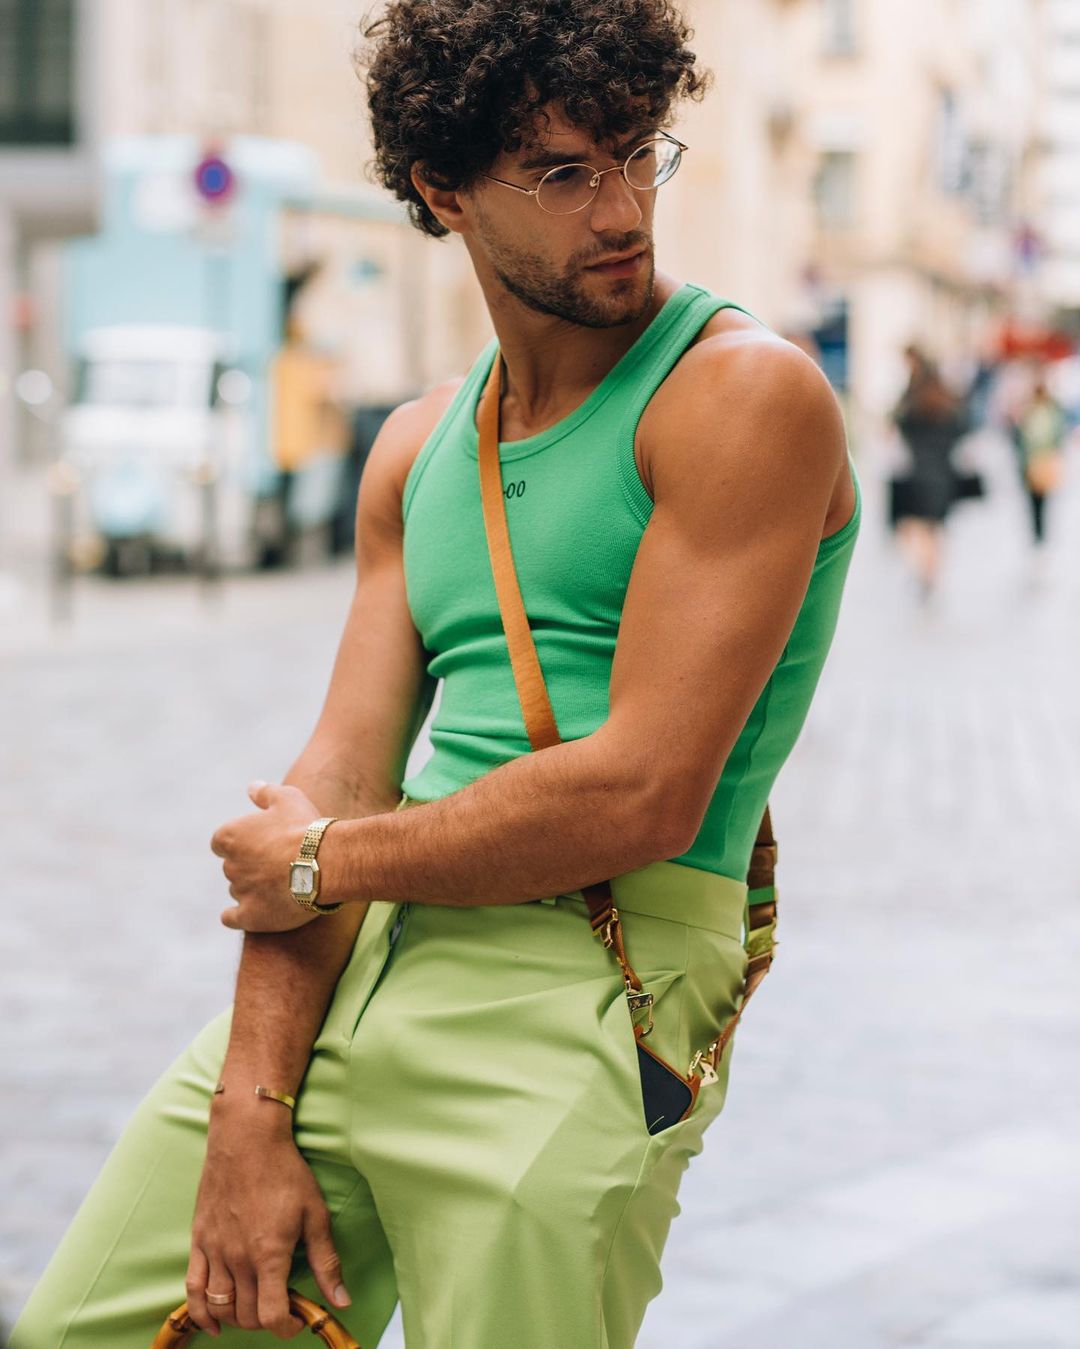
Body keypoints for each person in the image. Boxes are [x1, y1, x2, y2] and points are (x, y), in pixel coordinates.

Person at [12, 2, 860, 1345]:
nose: (622, 209)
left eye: (638, 153)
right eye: (563, 173)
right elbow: (337, 774)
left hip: (587, 983)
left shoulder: (740, 395)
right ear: (445, 191)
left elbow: (640, 791)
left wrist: (323, 860)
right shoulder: (415, 447)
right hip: (366, 954)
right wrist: (250, 1103)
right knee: (80, 1325)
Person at [890, 344, 970, 603]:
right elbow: (963, 431)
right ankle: (932, 574)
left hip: (917, 475)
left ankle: (925, 573)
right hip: (943, 477)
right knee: (935, 530)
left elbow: (897, 426)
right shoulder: (949, 407)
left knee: (918, 529)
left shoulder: (912, 405)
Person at [1012, 373, 1067, 550]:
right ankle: (1039, 535)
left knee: (1039, 502)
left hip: (1038, 461)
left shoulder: (1043, 411)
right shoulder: (1039, 411)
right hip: (1036, 461)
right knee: (1038, 502)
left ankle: (1040, 535)